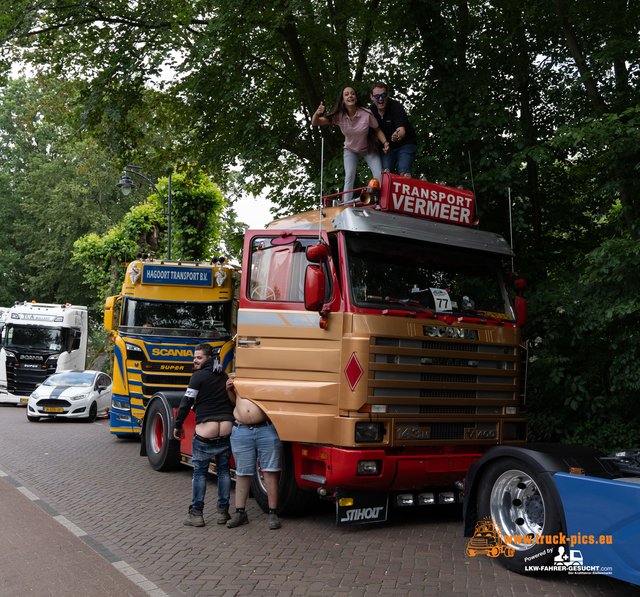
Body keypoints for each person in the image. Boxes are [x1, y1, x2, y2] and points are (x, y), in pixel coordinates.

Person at [174, 344, 235, 527]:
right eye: (195, 357)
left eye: (198, 357)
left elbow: (186, 402)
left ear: (208, 358)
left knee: (200, 472)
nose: (195, 360)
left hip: (205, 431)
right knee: (224, 471)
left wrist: (178, 424)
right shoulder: (223, 376)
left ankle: (197, 514)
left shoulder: (197, 376)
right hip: (226, 428)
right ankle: (223, 513)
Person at [312, 85, 389, 201]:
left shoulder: (366, 114)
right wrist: (317, 113)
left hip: (368, 149)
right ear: (343, 100)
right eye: (346, 94)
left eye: (352, 93)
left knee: (379, 175)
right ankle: (346, 205)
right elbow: (316, 122)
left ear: (356, 98)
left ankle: (380, 203)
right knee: (349, 177)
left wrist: (385, 142)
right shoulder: (339, 116)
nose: (350, 96)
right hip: (351, 150)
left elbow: (377, 130)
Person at [225, 375, 283, 530]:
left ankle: (273, 513)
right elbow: (234, 402)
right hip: (242, 429)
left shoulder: (264, 374)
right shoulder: (235, 377)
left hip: (266, 428)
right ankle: (240, 513)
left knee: (270, 471)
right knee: (242, 472)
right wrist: (229, 390)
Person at [368, 82, 418, 178]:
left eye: (383, 95)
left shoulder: (396, 106)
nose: (381, 99)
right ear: (372, 97)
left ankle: (405, 190)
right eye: (377, 96)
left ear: (388, 94)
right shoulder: (370, 111)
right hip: (387, 148)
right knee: (385, 174)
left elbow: (401, 130)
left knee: (404, 173)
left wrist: (397, 135)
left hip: (405, 144)